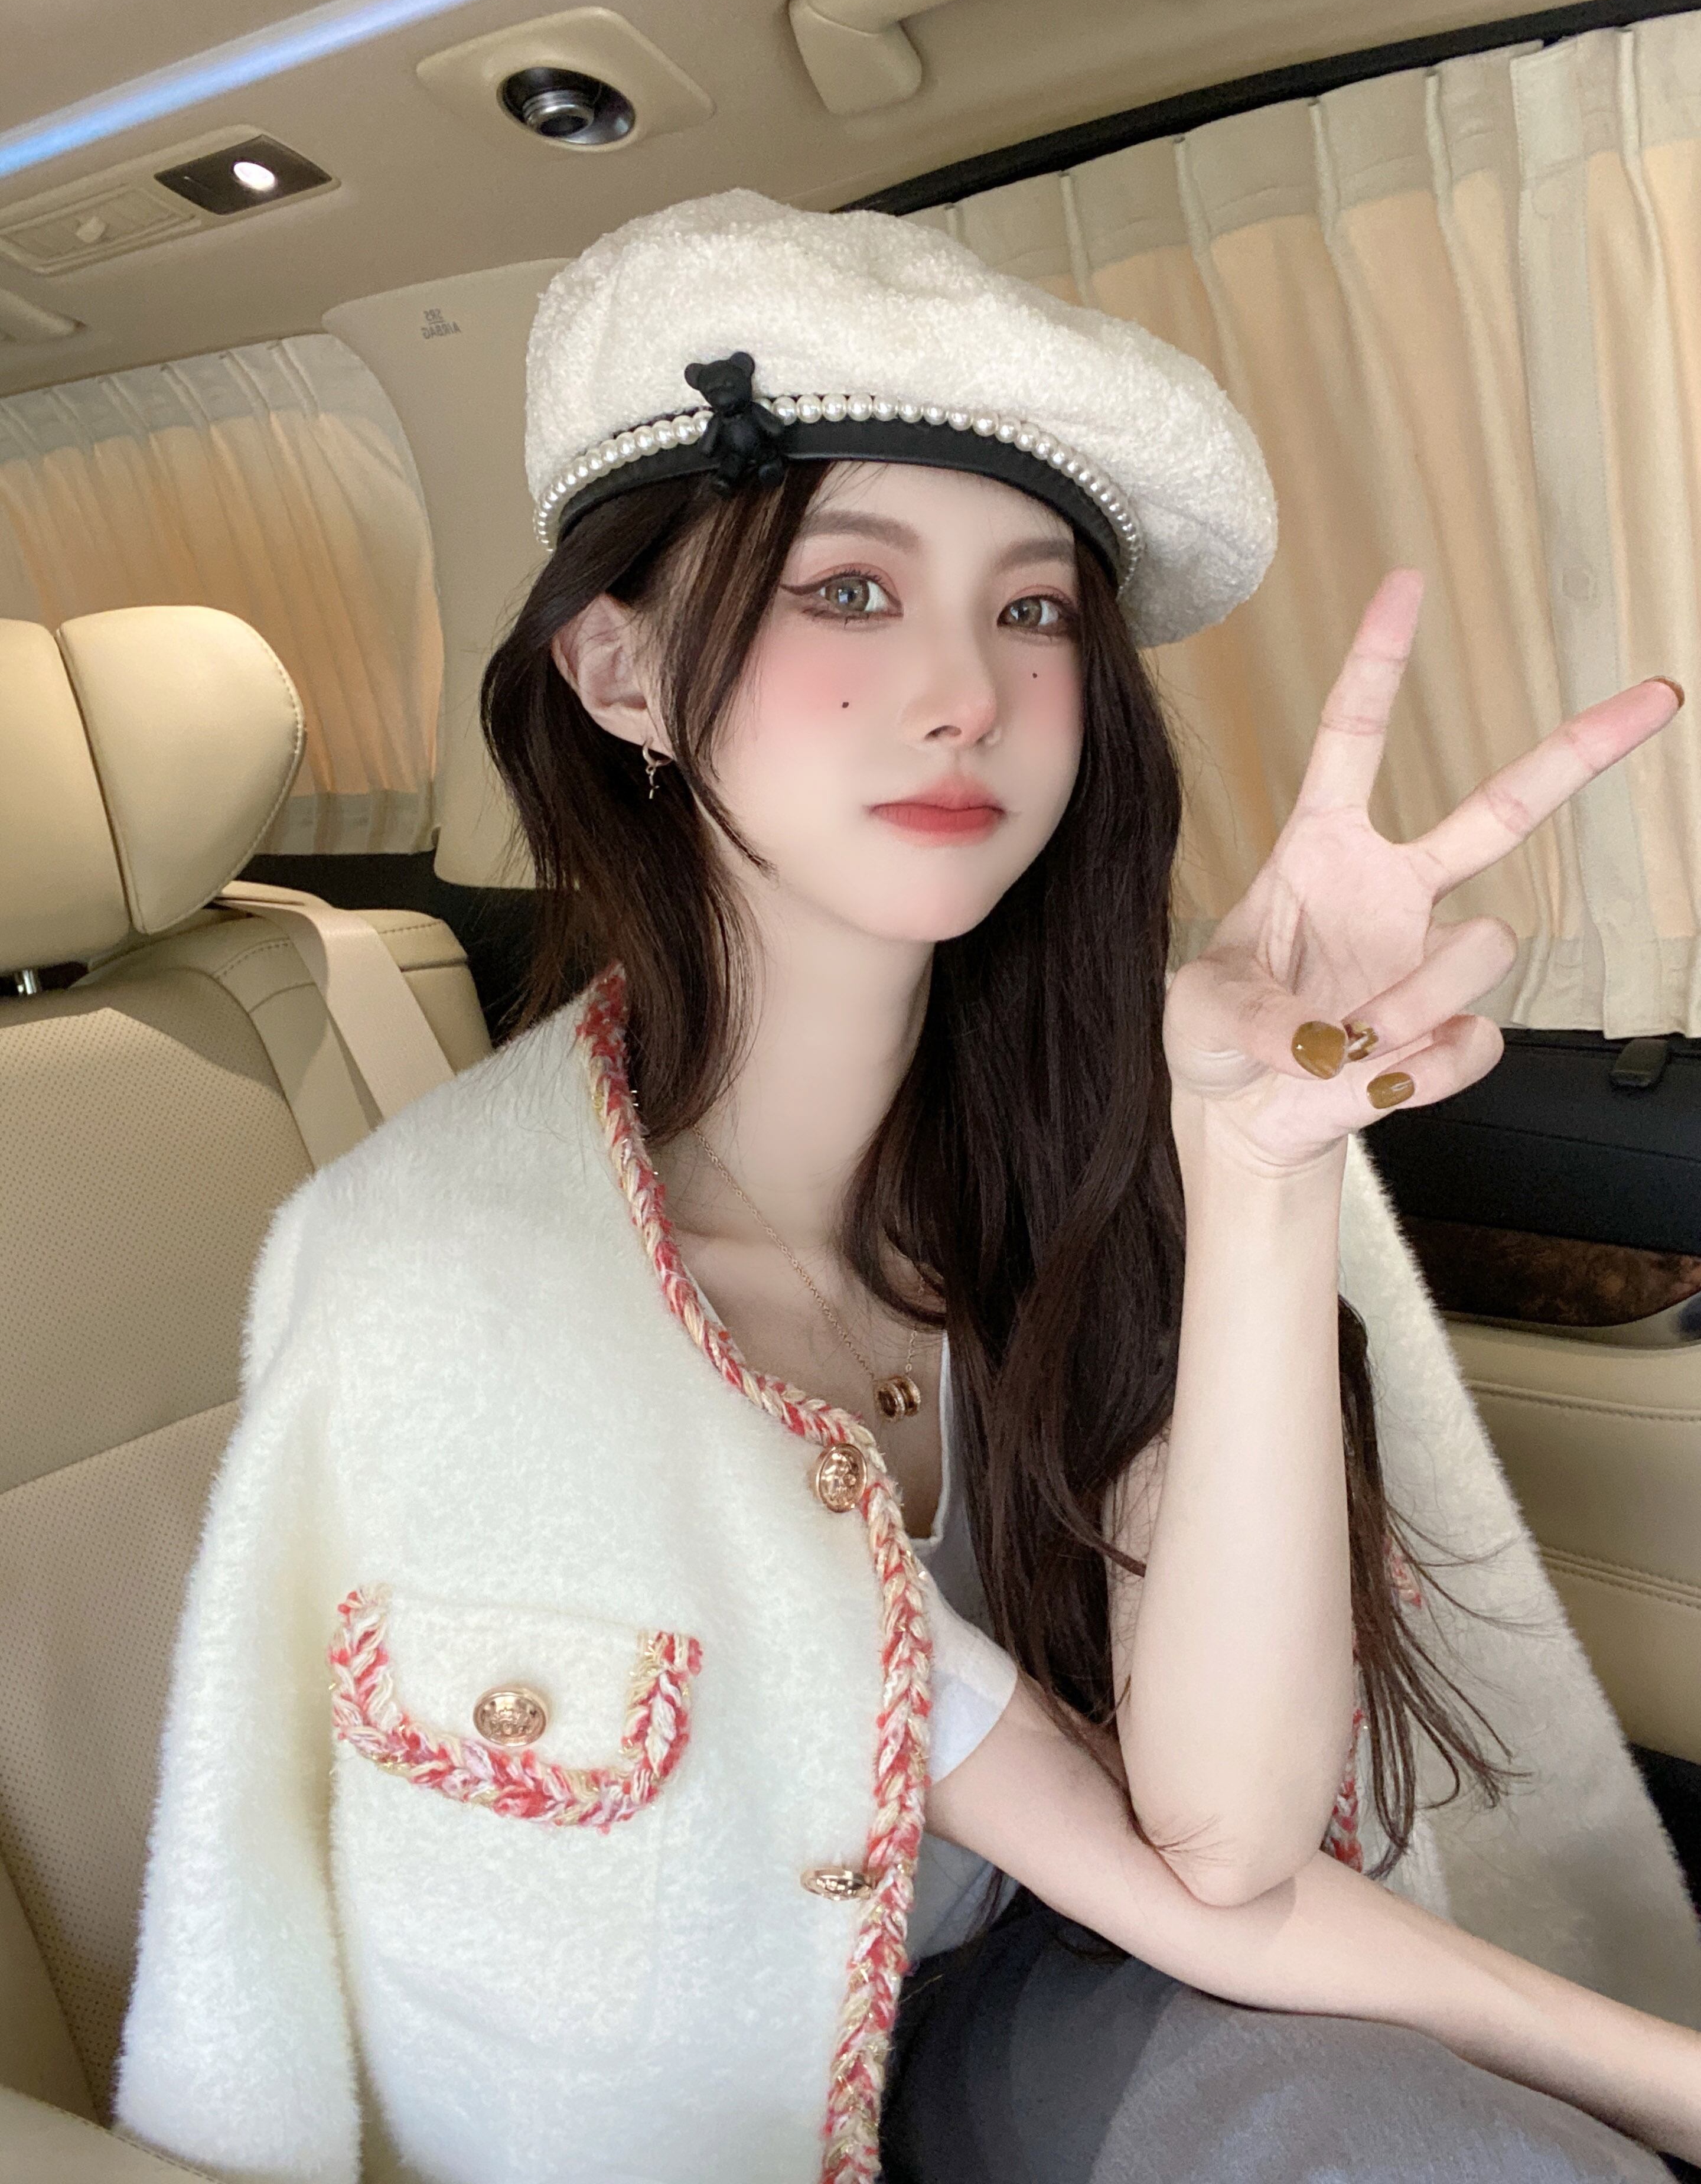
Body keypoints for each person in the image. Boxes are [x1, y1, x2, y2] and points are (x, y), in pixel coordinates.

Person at [113, 190, 1701, 2184]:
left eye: (1033, 612)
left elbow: (1215, 1845)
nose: (966, 689)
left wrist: (1256, 1168)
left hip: (1063, 1977)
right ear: (618, 673)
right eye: (849, 590)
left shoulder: (1083, 1150)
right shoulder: (449, 1279)